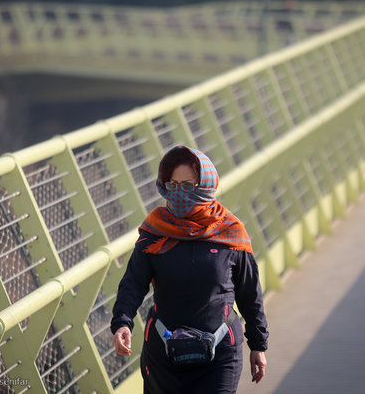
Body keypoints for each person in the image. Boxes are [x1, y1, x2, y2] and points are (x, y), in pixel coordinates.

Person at [110, 145, 269, 393]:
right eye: (173, 185)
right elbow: (133, 282)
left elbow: (250, 294)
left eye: (187, 186)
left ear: (205, 185)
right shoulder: (155, 231)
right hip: (163, 355)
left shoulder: (231, 232)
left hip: (220, 355)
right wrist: (122, 323)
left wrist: (258, 344)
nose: (179, 193)